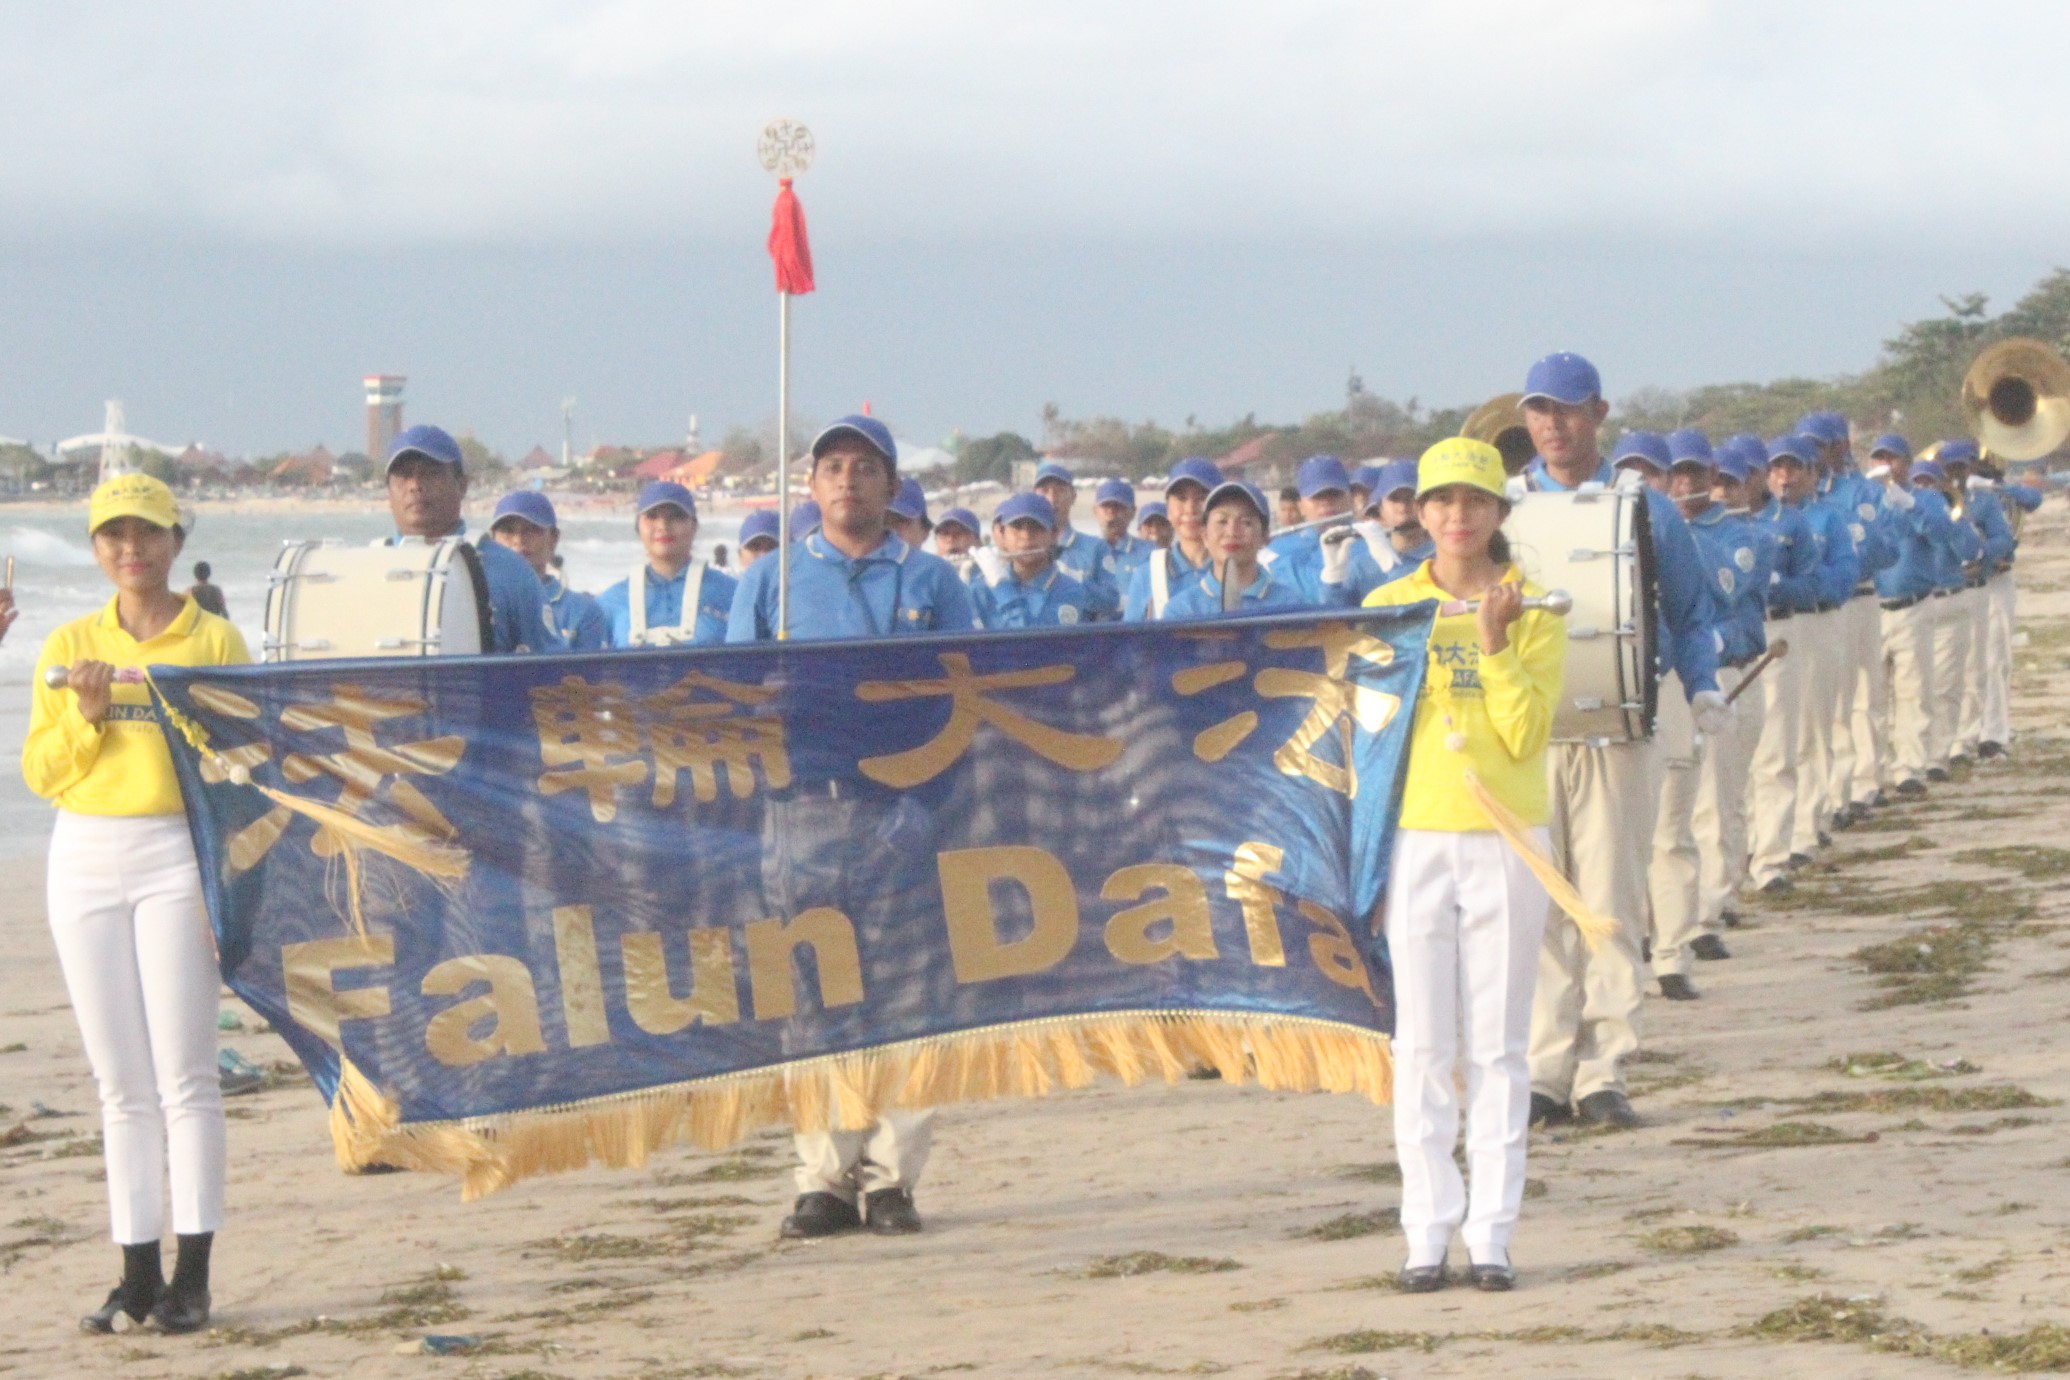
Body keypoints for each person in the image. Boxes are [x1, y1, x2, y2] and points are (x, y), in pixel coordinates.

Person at [726, 415, 973, 1239]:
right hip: (802, 814)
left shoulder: (934, 585)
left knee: (909, 996)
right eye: (831, 467)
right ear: (811, 487)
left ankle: (894, 1179)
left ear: (891, 486)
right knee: (812, 995)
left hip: (904, 812)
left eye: (864, 468)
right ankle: (824, 1178)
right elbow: (732, 701)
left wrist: (930, 804)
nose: (847, 482)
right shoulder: (774, 585)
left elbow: (967, 700)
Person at [23, 473, 249, 1335]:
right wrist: (86, 712)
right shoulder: (72, 639)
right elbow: (44, 773)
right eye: (113, 536)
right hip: (84, 856)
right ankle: (135, 1274)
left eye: (147, 533)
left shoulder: (215, 639)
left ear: (175, 542)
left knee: (187, 1076)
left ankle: (193, 1275)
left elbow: (243, 766)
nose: (131, 550)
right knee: (120, 1086)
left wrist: (227, 885)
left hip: (177, 854)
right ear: (94, 550)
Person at [1362, 438, 1567, 1292]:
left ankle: (1492, 1233)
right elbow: (1371, 731)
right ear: (1419, 509)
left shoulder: (1539, 609)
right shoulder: (1390, 603)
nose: (1457, 517)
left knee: (1499, 1046)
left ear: (1498, 514)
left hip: (1508, 840)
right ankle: (1424, 1229)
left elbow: (1526, 734)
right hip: (1416, 838)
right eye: (1441, 501)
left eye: (1474, 502)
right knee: (1421, 1044)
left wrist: (1493, 645)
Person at [1516, 353, 1724, 1130]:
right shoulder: (1504, 507)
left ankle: (1603, 1070)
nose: (1553, 425)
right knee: (1539, 910)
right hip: (1529, 737)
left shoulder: (1646, 508)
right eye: (1540, 410)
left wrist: (1700, 684)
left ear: (1598, 413)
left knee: (1607, 904)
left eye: (1567, 410)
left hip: (1618, 732)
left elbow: (1690, 610)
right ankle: (1543, 1068)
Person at [1690, 438, 1776, 948]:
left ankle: (1717, 899)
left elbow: (1727, 589)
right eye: (1670, 475)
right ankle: (1699, 907)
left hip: (1729, 671)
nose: (1687, 486)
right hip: (1688, 677)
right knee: (1693, 803)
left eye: (1701, 476)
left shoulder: (1745, 536)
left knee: (1722, 796)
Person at [384, 425, 561, 653]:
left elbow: (553, 669)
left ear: (462, 485)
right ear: (388, 492)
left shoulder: (510, 572)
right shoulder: (367, 571)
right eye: (404, 475)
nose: (415, 486)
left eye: (430, 473)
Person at [1744, 437, 1824, 893]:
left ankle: (1771, 859)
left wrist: (1772, 585)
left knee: (1776, 752)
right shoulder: (1709, 526)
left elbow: (1811, 584)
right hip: (1733, 641)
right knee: (1731, 759)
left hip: (1775, 633)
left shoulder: (1791, 523)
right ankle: (1737, 854)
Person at [1865, 435, 1943, 798]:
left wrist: (1911, 505)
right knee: (1870, 699)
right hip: (1873, 609)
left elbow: (1943, 535)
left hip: (1913, 606)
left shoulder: (1925, 498)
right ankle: (1872, 775)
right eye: (1878, 458)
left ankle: (1910, 767)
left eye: (1891, 458)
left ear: (1907, 463)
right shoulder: (1866, 499)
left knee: (1914, 692)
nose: (1885, 465)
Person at [594, 482, 736, 648]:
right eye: (652, 516)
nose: (663, 526)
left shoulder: (732, 594)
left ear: (694, 525)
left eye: (676, 516)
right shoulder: (610, 602)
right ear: (638, 527)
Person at [1160, 481, 1314, 618]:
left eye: (1246, 522)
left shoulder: (1292, 607)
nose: (1232, 531)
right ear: (1205, 535)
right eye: (1222, 521)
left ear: (1265, 537)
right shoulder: (1182, 611)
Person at [489, 492, 609, 652]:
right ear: (492, 540)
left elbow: (590, 673)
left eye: (531, 529)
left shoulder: (582, 611)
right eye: (507, 531)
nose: (518, 539)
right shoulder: (482, 602)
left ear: (554, 538)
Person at [1264, 455, 1385, 602]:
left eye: (1335, 495)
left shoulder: (1374, 543)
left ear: (1350, 498)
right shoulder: (1276, 553)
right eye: (1317, 496)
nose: (1327, 502)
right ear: (1301, 506)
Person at [966, 493, 1093, 628]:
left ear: (1054, 535)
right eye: (1017, 527)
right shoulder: (981, 589)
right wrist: (960, 586)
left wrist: (1002, 587)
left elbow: (1030, 642)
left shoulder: (1071, 591)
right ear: (1002, 535)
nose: (1026, 536)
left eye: (1036, 527)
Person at [1123, 458, 1221, 620]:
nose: (1190, 509)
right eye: (1181, 498)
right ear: (1168, 509)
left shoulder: (1239, 570)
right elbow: (1129, 642)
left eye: (1202, 497)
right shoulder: (1147, 574)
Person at [1032, 462, 1121, 619]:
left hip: (1079, 637)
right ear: (1033, 496)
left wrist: (1073, 582)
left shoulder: (1096, 548)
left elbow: (1111, 601)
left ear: (1073, 496)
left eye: (1060, 491)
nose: (1052, 498)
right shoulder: (1022, 549)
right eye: (1045, 491)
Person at [1355, 459, 1434, 583]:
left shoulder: (1444, 558)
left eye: (1411, 497)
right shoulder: (1361, 566)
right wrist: (1333, 582)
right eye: (1394, 499)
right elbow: (1338, 602)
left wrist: (1393, 569)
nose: (1403, 508)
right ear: (1380, 508)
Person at [1092, 478, 1155, 583]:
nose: (1111, 512)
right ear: (1095, 511)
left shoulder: (1150, 554)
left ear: (1133, 512)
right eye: (1105, 506)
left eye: (1118, 506)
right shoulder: (1084, 551)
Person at [889, 478, 932, 551]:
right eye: (884, 523)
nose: (892, 532)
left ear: (925, 532)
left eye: (902, 522)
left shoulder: (937, 562)